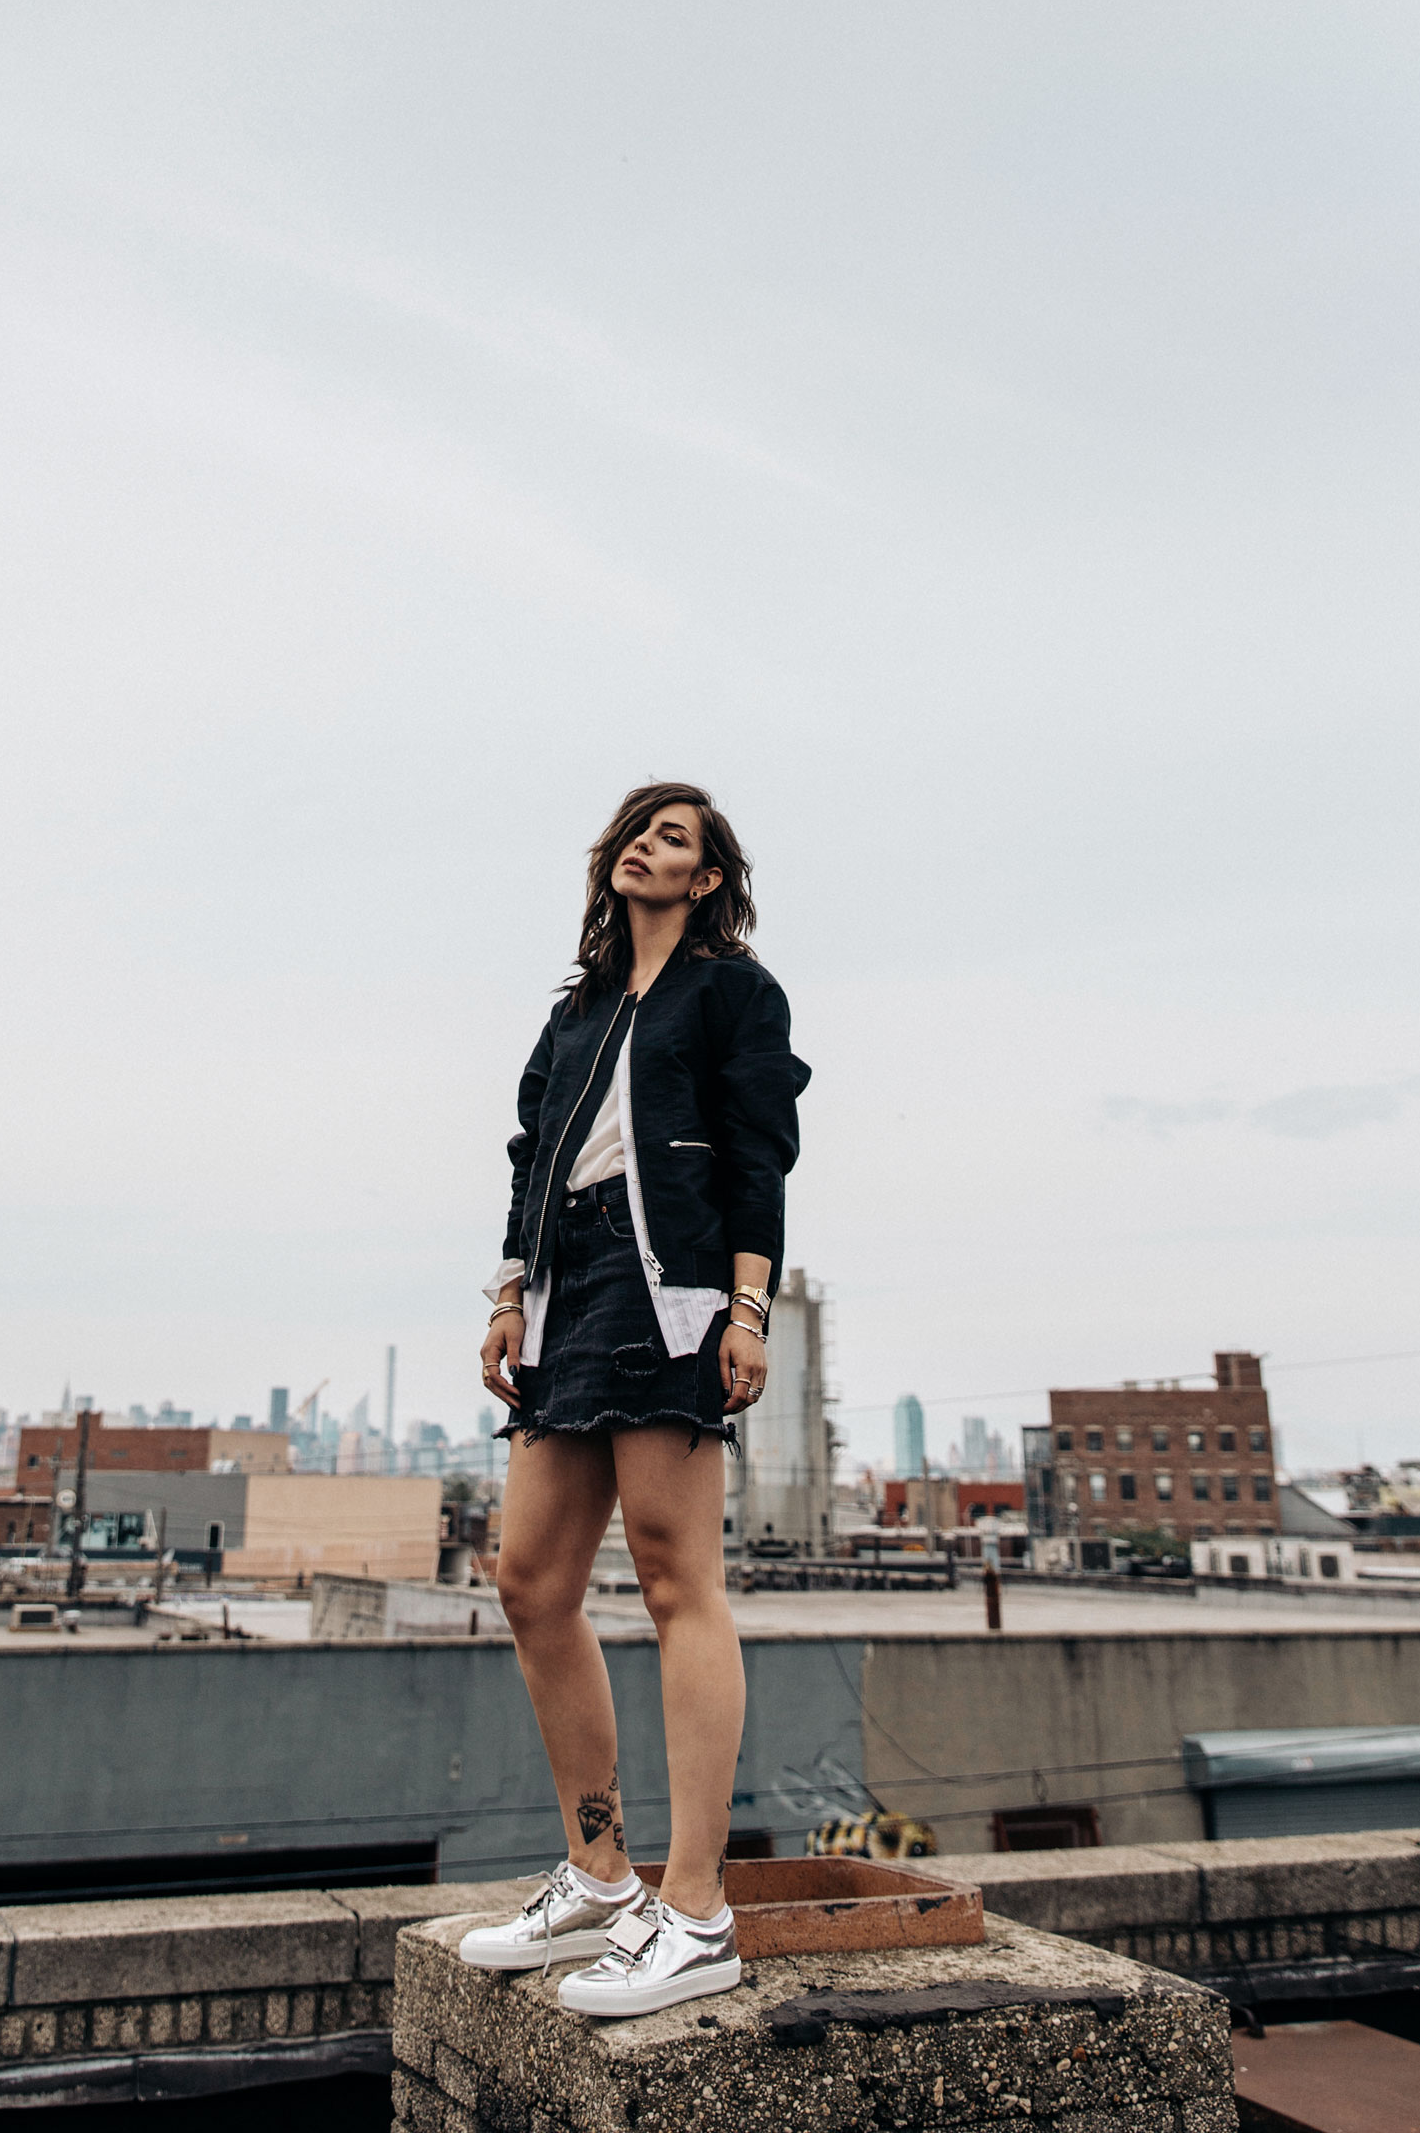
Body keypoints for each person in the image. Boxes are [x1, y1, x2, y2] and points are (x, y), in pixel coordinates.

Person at [458, 781, 810, 2017]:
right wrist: (509, 1293)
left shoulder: (732, 993)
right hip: (569, 1283)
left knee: (673, 1578)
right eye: (636, 832)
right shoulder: (581, 1010)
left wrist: (747, 1310)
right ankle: (600, 1874)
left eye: (675, 839)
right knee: (530, 1581)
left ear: (706, 879)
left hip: (675, 1284)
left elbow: (758, 1148)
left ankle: (697, 1910)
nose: (645, 849)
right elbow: (526, 1155)